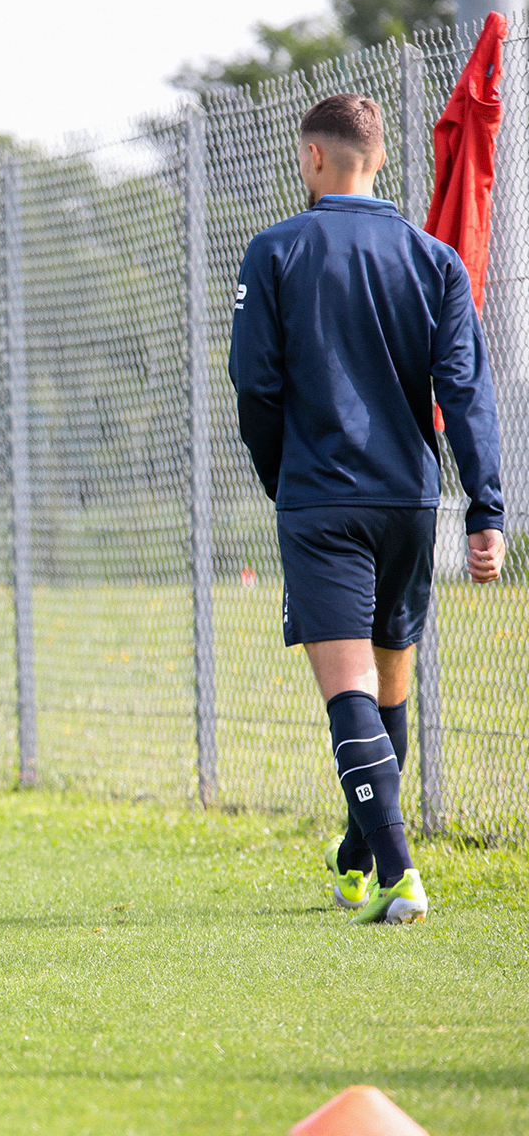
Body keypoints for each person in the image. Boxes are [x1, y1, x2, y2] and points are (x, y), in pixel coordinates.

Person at [230, 94, 504, 925]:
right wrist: (484, 506)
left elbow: (255, 383)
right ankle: (357, 854)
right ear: (378, 158)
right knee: (391, 688)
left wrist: (283, 476)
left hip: (323, 502)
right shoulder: (435, 260)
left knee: (349, 692)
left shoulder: (275, 250)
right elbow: (465, 390)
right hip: (411, 501)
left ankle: (401, 877)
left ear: (314, 158)